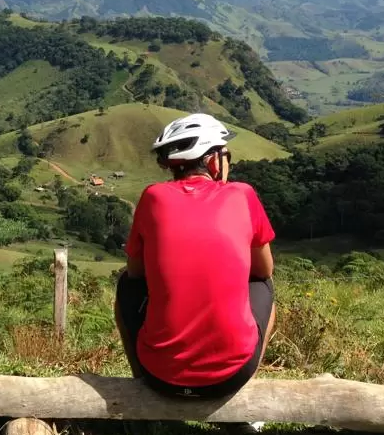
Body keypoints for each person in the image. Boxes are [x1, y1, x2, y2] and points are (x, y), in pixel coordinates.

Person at [114, 113, 277, 410]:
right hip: (232, 377)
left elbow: (136, 272)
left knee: (126, 284)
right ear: (214, 161)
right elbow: (264, 270)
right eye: (226, 155)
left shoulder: (152, 197)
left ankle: (139, 386)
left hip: (159, 377)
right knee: (263, 285)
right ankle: (245, 393)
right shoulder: (243, 194)